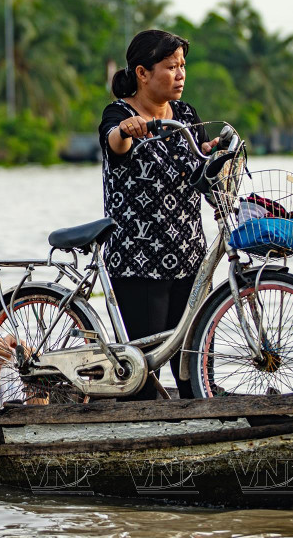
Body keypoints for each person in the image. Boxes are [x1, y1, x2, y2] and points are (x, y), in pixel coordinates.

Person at [98, 29, 221, 400]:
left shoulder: (185, 114)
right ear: (142, 73)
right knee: (144, 377)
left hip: (190, 260)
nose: (180, 74)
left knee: (196, 371)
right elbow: (113, 143)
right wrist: (126, 130)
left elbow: (197, 168)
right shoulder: (119, 112)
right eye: (170, 66)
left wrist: (211, 154)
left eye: (183, 66)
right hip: (139, 264)